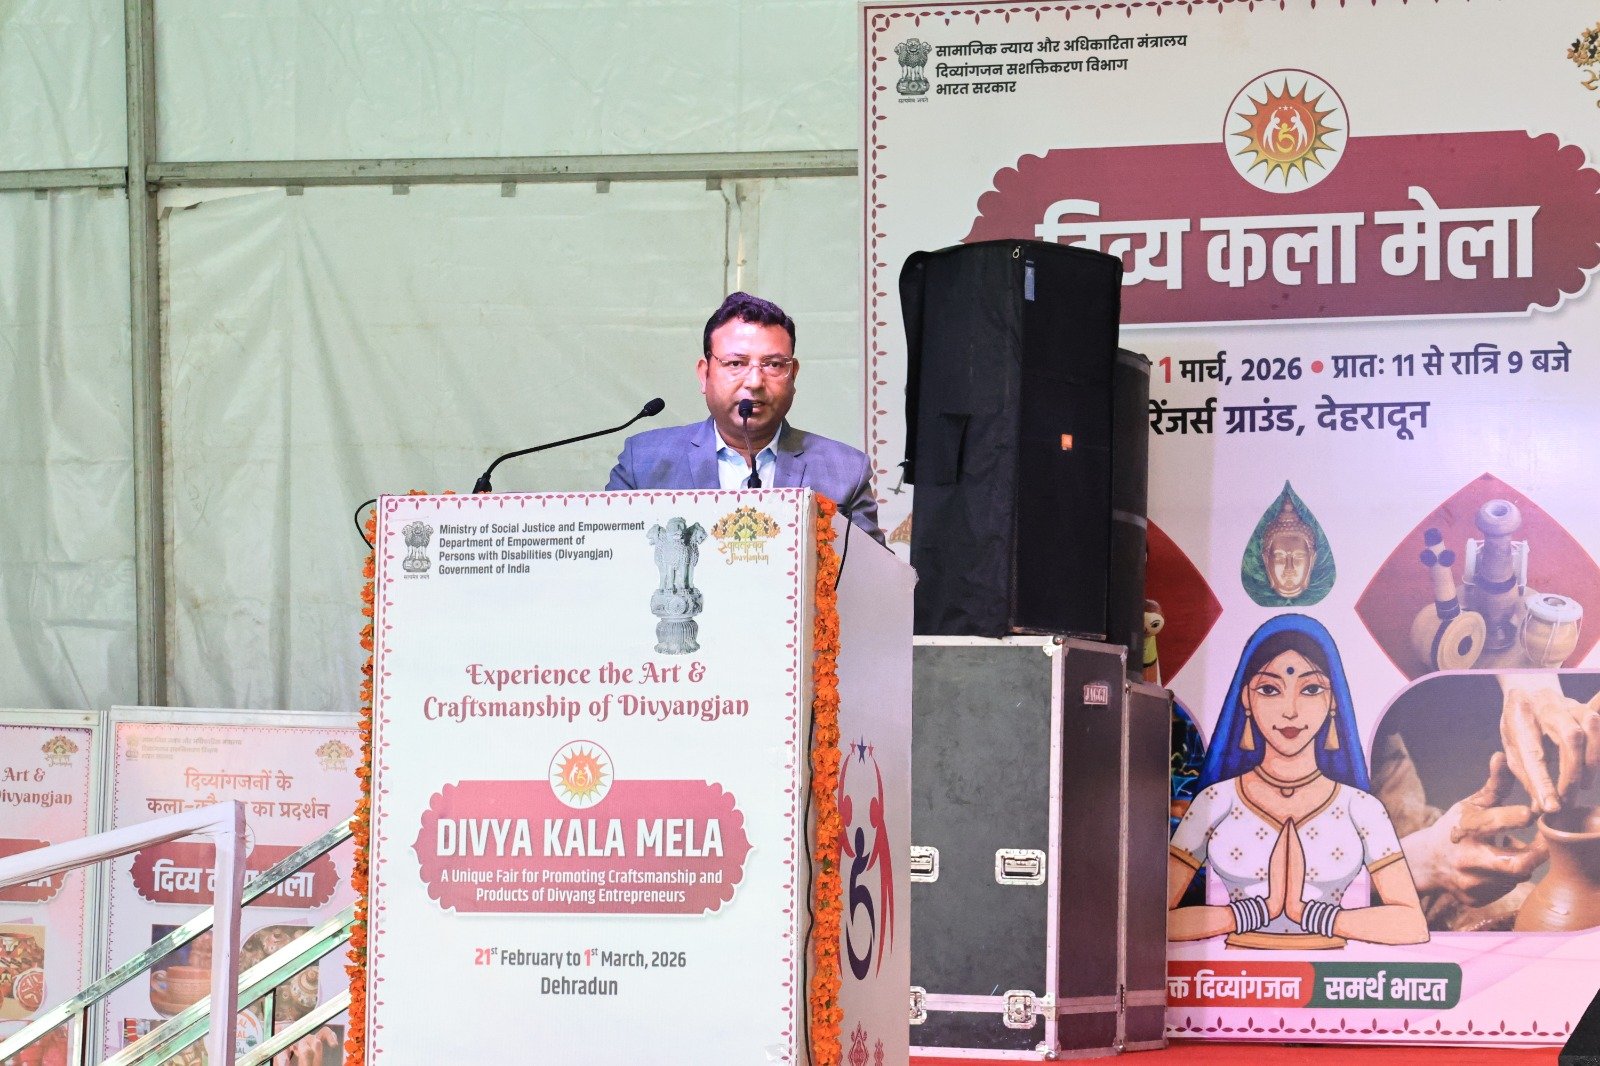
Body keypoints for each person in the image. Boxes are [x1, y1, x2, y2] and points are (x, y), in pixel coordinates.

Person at [1167, 614, 1428, 947]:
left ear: (1333, 700)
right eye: (1270, 689)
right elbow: (1156, 922)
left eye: (1310, 688)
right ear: (1247, 698)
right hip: (1232, 985)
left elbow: (1412, 924)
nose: (1290, 711)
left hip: (1342, 987)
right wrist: (1251, 914)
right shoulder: (1217, 800)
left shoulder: (1361, 808)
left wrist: (1312, 916)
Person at [605, 292, 884, 545]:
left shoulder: (845, 471)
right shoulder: (642, 463)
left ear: (793, 375)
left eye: (773, 365)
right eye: (736, 363)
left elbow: (876, 584)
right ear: (704, 374)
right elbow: (611, 566)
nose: (754, 382)